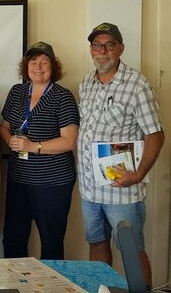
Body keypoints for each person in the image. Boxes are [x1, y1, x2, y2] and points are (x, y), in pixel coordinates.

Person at [78, 22, 164, 287]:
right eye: (96, 45)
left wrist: (138, 174)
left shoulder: (138, 85)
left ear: (120, 49)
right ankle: (101, 290)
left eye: (109, 45)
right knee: (96, 243)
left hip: (123, 188)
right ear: (91, 49)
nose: (102, 51)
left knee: (131, 248)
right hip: (90, 187)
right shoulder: (86, 84)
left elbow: (155, 135)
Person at [0, 41, 79, 260]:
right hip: (18, 180)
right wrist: (11, 141)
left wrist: (32, 147)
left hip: (53, 183)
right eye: (33, 61)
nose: (38, 66)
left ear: (54, 67)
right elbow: (3, 127)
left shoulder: (63, 97)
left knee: (51, 242)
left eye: (44, 61)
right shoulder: (17, 92)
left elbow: (69, 141)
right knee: (13, 239)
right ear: (26, 66)